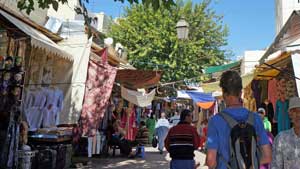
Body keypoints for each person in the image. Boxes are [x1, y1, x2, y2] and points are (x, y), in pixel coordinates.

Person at [206, 70, 272, 169]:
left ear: (224, 93)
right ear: (241, 92)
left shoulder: (215, 121)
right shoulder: (255, 118)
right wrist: (248, 162)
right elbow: (267, 156)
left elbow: (211, 162)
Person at [271, 96, 300, 169]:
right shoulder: (281, 139)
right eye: (294, 111)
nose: (298, 115)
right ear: (290, 114)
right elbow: (275, 166)